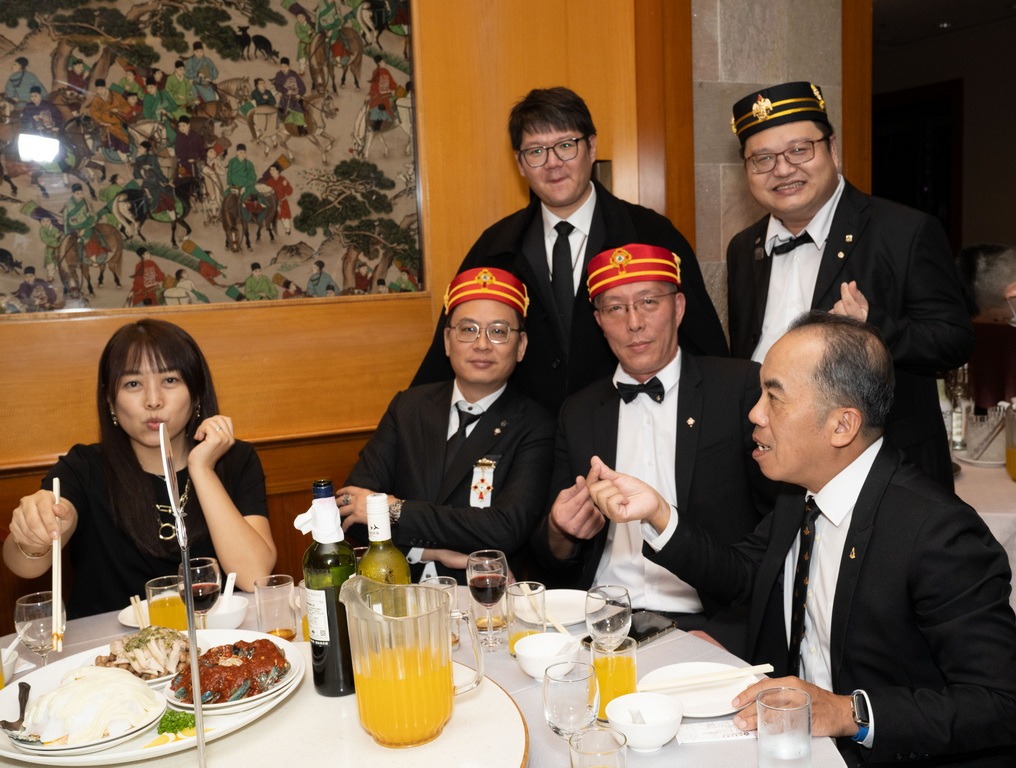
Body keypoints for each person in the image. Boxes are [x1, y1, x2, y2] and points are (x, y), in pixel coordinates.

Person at [586, 312, 1016, 766]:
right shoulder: (801, 495)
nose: (755, 413)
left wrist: (849, 712)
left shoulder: (937, 533)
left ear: (842, 426)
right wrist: (657, 513)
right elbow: (743, 576)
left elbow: (1001, 702)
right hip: (787, 745)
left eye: (774, 398)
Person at [412, 87, 728, 416]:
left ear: (591, 147)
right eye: (536, 151)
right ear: (520, 163)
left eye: (566, 145)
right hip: (525, 434)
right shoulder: (495, 249)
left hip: (630, 424)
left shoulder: (651, 235)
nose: (552, 164)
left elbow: (703, 348)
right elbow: (448, 355)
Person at [725, 81, 973, 490]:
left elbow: (954, 341)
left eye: (799, 150)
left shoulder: (904, 231)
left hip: (886, 479)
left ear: (832, 149)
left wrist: (873, 328)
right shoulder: (743, 247)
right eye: (762, 159)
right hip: (773, 477)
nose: (782, 170)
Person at [527, 244, 775, 632]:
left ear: (678, 307)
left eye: (648, 302)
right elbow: (551, 554)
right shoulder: (578, 411)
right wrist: (560, 530)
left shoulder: (738, 387)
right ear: (599, 320)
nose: (634, 323)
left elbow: (777, 529)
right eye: (615, 308)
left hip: (707, 618)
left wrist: (729, 635)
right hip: (600, 616)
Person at [4, 319, 277, 618]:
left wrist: (202, 469)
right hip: (106, 645)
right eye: (133, 384)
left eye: (170, 380)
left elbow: (254, 575)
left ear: (196, 393)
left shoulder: (235, 458)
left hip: (214, 639)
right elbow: (26, 567)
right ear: (110, 400)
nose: (153, 401)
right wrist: (34, 532)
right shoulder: (84, 467)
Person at [338, 267, 555, 582]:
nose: (482, 344)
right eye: (468, 329)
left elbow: (504, 528)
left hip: (483, 594)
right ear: (447, 341)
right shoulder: (408, 407)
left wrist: (394, 509)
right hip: (399, 587)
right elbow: (351, 511)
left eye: (498, 331)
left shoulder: (535, 425)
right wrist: (430, 553)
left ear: (520, 346)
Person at [87, 79, 132, 157]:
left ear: (105, 87)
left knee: (120, 133)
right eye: (98, 89)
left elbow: (127, 107)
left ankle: (125, 151)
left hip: (116, 120)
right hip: (103, 122)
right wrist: (102, 122)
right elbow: (93, 112)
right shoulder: (96, 99)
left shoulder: (115, 95)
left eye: (101, 89)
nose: (99, 91)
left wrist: (117, 109)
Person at [271, 58, 307, 134]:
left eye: (285, 67)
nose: (283, 68)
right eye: (282, 66)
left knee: (306, 108)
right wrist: (286, 91)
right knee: (297, 111)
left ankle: (304, 125)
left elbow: (301, 85)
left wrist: (299, 93)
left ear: (289, 66)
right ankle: (301, 130)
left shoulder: (293, 73)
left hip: (296, 97)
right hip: (286, 99)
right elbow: (277, 86)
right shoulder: (279, 75)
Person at [174, 115, 207, 185]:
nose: (181, 128)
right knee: (181, 179)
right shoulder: (178, 137)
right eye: (179, 126)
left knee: (198, 179)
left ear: (188, 125)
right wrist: (187, 159)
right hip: (184, 162)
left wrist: (198, 159)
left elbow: (201, 149)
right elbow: (178, 152)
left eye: (183, 125)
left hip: (196, 162)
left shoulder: (195, 135)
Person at [262, 163, 293, 235]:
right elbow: (265, 191)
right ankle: (271, 230)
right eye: (270, 170)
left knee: (285, 217)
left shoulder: (283, 180)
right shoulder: (269, 182)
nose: (271, 171)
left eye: (273, 170)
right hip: (272, 203)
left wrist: (286, 185)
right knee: (270, 216)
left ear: (278, 171)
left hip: (282, 202)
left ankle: (287, 231)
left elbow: (290, 192)